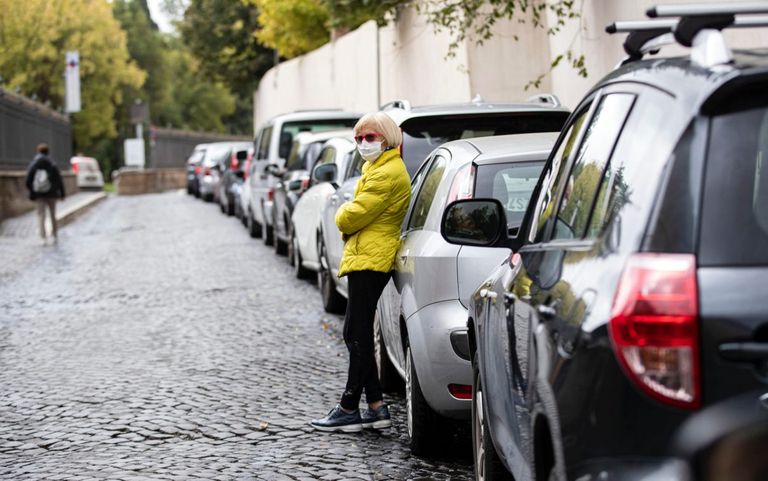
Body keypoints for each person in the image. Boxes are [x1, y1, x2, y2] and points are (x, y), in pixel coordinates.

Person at [310, 112, 411, 433]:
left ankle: (349, 406)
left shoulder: (387, 173)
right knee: (356, 331)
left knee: (356, 331)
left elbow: (349, 218)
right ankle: (376, 406)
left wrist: (342, 210)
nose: (363, 144)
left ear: (387, 137)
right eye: (359, 139)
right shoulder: (379, 168)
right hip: (366, 255)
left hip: (371, 258)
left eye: (370, 137)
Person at [25, 143, 65, 243]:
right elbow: (59, 179)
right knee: (53, 215)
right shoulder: (52, 163)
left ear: (38, 151)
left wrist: (32, 192)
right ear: (48, 152)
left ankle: (43, 237)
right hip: (52, 194)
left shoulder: (34, 163)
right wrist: (62, 193)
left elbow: (28, 179)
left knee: (41, 215)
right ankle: (54, 235)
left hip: (39, 194)